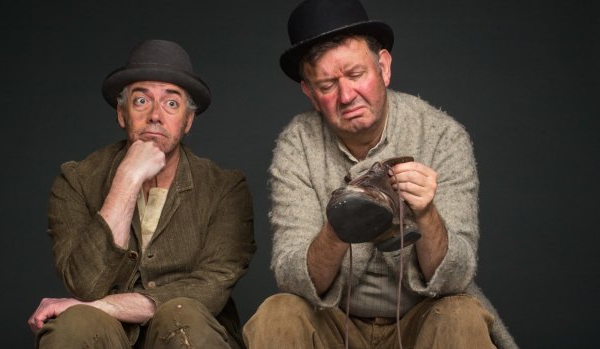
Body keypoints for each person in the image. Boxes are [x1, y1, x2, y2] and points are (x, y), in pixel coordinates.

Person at [243, 0, 517, 348]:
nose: (346, 95)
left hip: (421, 321)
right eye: (327, 85)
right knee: (277, 314)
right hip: (335, 323)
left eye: (356, 75)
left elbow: (456, 276)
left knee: (461, 315)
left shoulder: (442, 135)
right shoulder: (297, 143)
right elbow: (293, 277)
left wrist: (426, 213)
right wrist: (341, 224)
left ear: (383, 67)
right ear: (310, 94)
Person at [28, 39, 256, 349]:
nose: (155, 116)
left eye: (171, 103)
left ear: (187, 121)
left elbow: (210, 289)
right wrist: (127, 180)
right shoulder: (76, 181)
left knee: (184, 314)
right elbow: (86, 285)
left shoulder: (225, 188)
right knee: (72, 326)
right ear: (122, 114)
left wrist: (105, 306)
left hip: (189, 332)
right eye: (141, 101)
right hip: (107, 335)